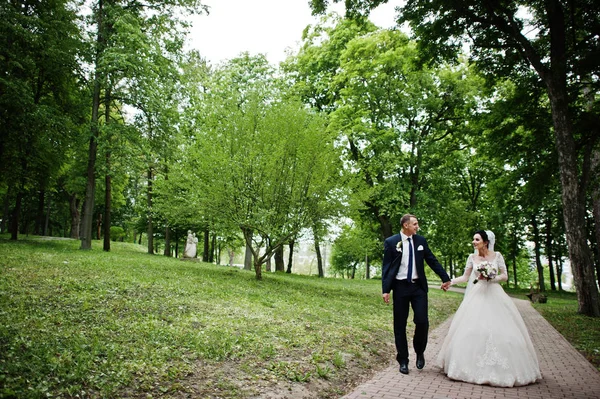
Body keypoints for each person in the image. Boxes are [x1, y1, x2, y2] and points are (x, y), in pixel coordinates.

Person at [436, 230, 542, 387]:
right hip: (477, 295)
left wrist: (491, 278)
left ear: (485, 242)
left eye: (477, 239)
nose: (474, 242)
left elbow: (504, 276)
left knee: (503, 331)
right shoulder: (472, 257)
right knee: (472, 329)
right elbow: (465, 277)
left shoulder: (497, 256)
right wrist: (449, 282)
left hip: (494, 293)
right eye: (473, 239)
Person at [382, 214, 452, 374]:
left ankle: (419, 351)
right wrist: (385, 290)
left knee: (422, 321)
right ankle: (403, 360)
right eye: (415, 224)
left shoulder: (420, 241)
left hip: (418, 287)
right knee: (399, 324)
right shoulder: (391, 242)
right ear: (406, 225)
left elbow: (431, 259)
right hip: (400, 287)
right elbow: (386, 267)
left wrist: (445, 277)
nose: (417, 226)